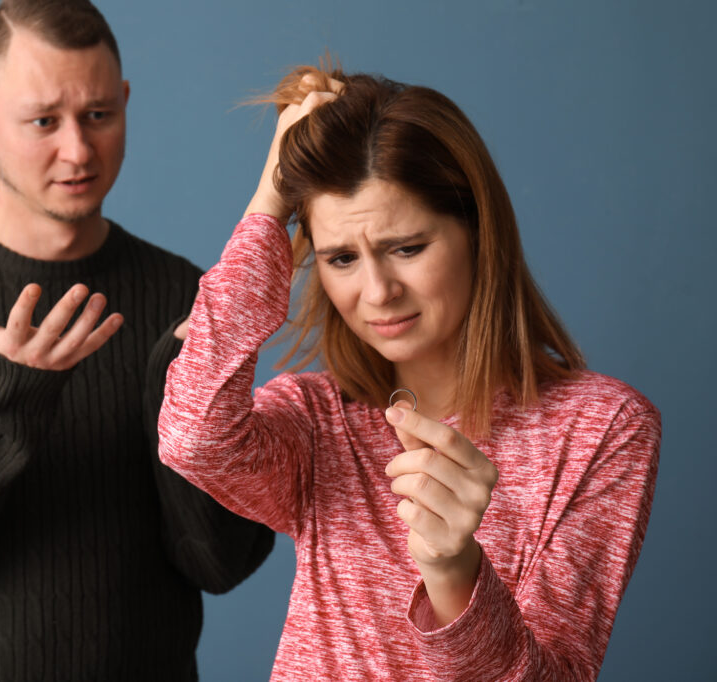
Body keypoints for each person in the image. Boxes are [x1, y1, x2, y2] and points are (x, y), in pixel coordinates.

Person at [159, 65, 660, 680]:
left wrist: (454, 571)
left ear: (478, 232)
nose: (377, 292)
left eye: (407, 247)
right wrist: (269, 202)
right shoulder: (318, 423)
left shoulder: (602, 429)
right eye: (341, 258)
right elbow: (191, 436)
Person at [0, 1, 273, 679]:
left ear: (125, 102)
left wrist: (187, 409)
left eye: (99, 114)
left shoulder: (183, 297)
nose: (78, 149)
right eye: (43, 121)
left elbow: (222, 564)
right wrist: (9, 404)